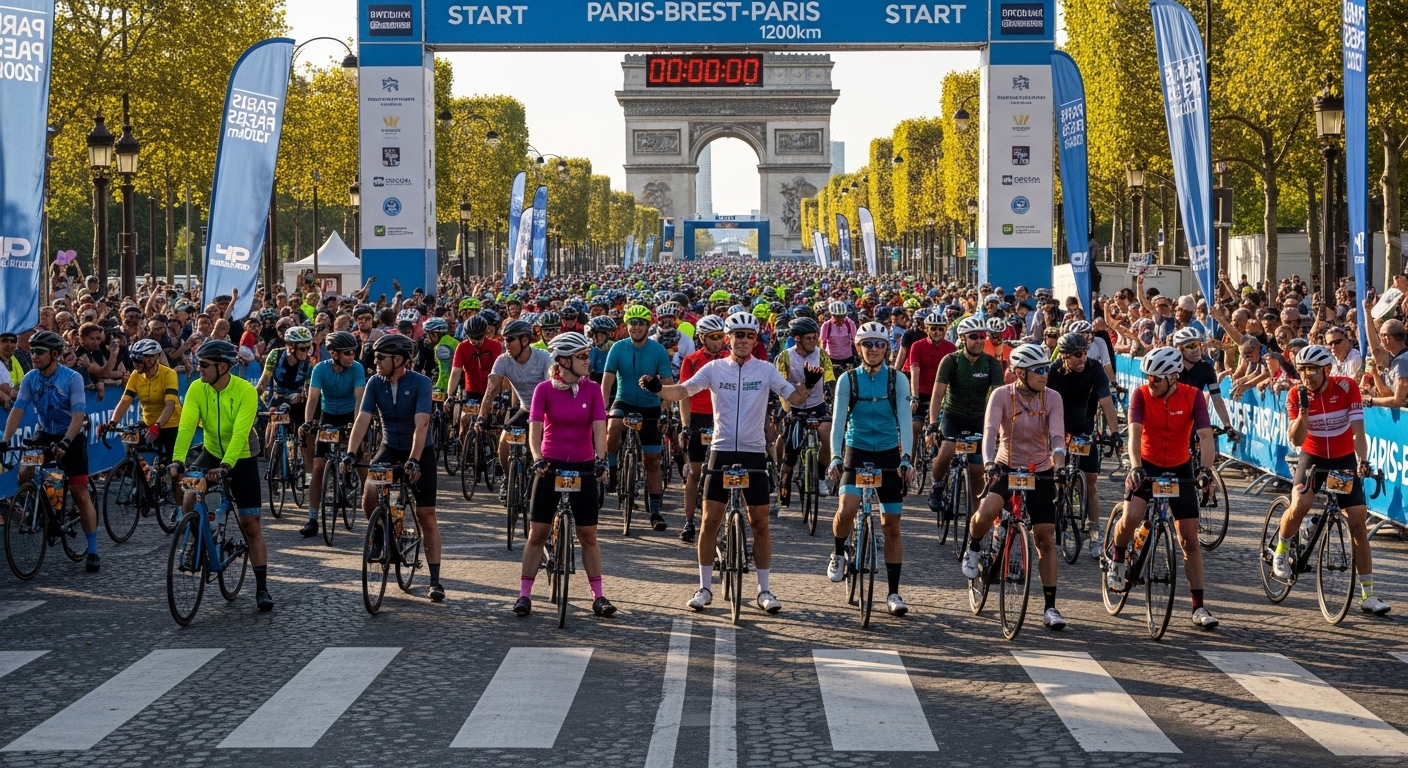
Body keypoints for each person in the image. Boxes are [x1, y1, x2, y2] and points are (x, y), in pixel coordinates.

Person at [645, 311, 821, 615]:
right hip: (722, 449)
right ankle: (704, 587)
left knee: (760, 523)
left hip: (753, 452)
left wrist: (808, 384)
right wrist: (658, 389)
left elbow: (794, 398)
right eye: (737, 335)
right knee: (710, 521)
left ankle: (764, 590)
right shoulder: (714, 369)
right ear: (728, 338)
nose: (743, 340)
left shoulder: (765, 370)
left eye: (749, 335)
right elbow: (683, 391)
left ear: (755, 340)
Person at [1106, 346, 1221, 630]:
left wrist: (1205, 471)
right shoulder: (1141, 395)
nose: (1150, 382)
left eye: (1156, 378)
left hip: (1180, 467)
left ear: (1172, 376)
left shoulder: (1193, 396)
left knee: (1189, 540)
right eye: (1148, 376)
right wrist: (1135, 466)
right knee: (1132, 516)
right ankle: (1118, 558)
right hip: (1147, 464)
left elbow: (1206, 436)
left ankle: (1199, 607)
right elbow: (1134, 434)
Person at [1273, 345, 1389, 615]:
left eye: (1312, 370)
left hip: (1343, 458)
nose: (1306, 376)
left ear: (1326, 370)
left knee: (1358, 522)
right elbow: (1296, 440)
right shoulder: (1295, 394)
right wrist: (1303, 411)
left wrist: (1362, 461)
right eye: (1302, 370)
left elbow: (1359, 431)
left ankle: (1368, 595)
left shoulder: (1347, 387)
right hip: (1312, 457)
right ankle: (1281, 548)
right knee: (1300, 503)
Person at [963, 343, 1069, 630]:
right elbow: (988, 434)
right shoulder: (1001, 395)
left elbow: (1057, 437)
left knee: (1046, 537)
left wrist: (1059, 466)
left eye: (1046, 368)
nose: (1045, 375)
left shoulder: (1053, 397)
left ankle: (1050, 607)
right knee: (987, 512)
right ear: (1021, 373)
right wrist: (988, 463)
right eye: (1038, 370)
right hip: (1005, 465)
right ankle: (973, 547)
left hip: (1040, 468)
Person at [514, 332, 616, 618]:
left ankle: (598, 595)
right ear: (563, 361)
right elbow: (534, 428)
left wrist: (601, 461)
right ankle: (524, 594)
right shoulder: (543, 390)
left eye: (587, 356)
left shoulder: (592, 389)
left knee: (588, 535)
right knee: (537, 533)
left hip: (583, 464)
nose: (588, 360)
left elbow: (599, 428)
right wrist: (537, 458)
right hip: (550, 464)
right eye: (582, 357)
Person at [168, 340, 272, 610]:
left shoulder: (245, 391)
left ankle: (262, 589)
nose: (198, 368)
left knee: (251, 524)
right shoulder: (196, 387)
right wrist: (178, 459)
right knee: (190, 493)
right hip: (213, 450)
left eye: (204, 365)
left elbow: (240, 434)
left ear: (222, 367)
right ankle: (193, 538)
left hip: (242, 455)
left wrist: (226, 467)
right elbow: (187, 426)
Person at [344, 333, 445, 602]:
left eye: (380, 358)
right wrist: (351, 453)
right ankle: (381, 532)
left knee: (427, 516)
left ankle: (435, 579)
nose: (374, 362)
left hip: (420, 450)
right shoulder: (374, 383)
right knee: (369, 494)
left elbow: (422, 422)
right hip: (389, 447)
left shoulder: (421, 382)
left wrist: (414, 458)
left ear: (398, 359)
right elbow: (363, 419)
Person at [826, 322, 914, 617]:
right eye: (867, 344)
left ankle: (893, 592)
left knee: (892, 526)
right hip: (857, 449)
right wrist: (836, 457)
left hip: (889, 453)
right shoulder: (847, 380)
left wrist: (908, 457)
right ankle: (839, 552)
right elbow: (838, 422)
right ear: (858, 347)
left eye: (879, 344)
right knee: (847, 509)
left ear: (887, 348)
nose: (873, 349)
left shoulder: (897, 379)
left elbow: (904, 419)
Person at [2, 331, 102, 572]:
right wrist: (4, 440)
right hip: (45, 432)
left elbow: (78, 415)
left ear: (54, 355)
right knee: (25, 472)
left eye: (39, 352)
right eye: (32, 351)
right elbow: (18, 409)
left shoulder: (72, 378)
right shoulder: (30, 378)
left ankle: (93, 550)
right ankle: (40, 507)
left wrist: (67, 442)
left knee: (79, 492)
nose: (33, 356)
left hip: (72, 434)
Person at [1044, 333, 1120, 555]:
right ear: (1066, 356)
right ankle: (1053, 516)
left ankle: (1095, 537)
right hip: (1059, 430)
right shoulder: (1053, 371)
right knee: (1056, 477)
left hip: (1084, 428)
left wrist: (1115, 433)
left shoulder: (1094, 368)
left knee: (1091, 483)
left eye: (1085, 353)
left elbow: (1106, 402)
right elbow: (1044, 405)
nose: (1083, 358)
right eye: (1078, 355)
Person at [601, 304, 675, 531]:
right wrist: (603, 409)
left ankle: (654, 511)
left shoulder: (658, 350)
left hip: (650, 405)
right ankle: (612, 470)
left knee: (652, 461)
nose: (636, 327)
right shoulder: (617, 348)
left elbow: (669, 385)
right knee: (613, 425)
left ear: (647, 325)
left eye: (641, 323)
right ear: (627, 325)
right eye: (632, 322)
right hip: (623, 401)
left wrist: (663, 409)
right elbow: (607, 381)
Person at [926, 316, 1004, 518]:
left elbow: (999, 399)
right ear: (962, 338)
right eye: (974, 336)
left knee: (977, 469)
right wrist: (933, 423)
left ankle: (975, 521)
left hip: (979, 418)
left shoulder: (991, 364)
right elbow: (937, 396)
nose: (979, 340)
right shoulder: (951, 361)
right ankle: (937, 484)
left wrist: (998, 429)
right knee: (947, 449)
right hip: (953, 416)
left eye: (982, 336)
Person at [298, 331, 366, 538]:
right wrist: (308, 423)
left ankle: (369, 497)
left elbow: (360, 399)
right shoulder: (320, 369)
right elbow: (312, 399)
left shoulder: (357, 368)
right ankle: (312, 518)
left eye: (353, 352)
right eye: (347, 353)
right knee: (318, 466)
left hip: (350, 414)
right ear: (334, 354)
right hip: (328, 415)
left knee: (361, 456)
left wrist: (357, 427)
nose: (351, 356)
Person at [479, 319, 552, 494]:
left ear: (525, 341)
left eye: (510, 339)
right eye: (504, 340)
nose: (506, 344)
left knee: (547, 450)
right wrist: (482, 417)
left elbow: (552, 388)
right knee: (503, 443)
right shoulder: (503, 360)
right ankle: (508, 478)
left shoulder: (544, 357)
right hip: (526, 409)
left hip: (546, 412)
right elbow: (491, 391)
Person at [676, 314, 728, 543]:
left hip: (722, 417)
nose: (720, 341)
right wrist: (686, 426)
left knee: (725, 473)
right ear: (702, 338)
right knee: (695, 473)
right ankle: (688, 522)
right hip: (698, 417)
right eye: (714, 337)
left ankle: (725, 522)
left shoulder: (730, 357)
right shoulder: (691, 360)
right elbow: (683, 394)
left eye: (721, 336)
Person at [774, 316, 835, 508]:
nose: (813, 341)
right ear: (797, 338)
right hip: (794, 406)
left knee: (827, 434)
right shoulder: (784, 357)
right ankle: (783, 485)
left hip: (817, 405)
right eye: (809, 338)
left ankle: (821, 475)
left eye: (815, 337)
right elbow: (781, 387)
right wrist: (787, 410)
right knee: (790, 448)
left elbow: (831, 380)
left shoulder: (822, 355)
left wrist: (838, 402)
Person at [258, 325, 316, 483]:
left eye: (309, 347)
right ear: (291, 347)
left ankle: (309, 479)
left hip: (299, 401)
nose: (307, 351)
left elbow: (311, 390)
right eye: (303, 348)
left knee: (307, 443)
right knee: (272, 435)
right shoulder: (275, 355)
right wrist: (252, 400)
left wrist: (301, 395)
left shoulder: (309, 364)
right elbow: (263, 382)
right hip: (279, 398)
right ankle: (274, 462)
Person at [901, 312, 956, 460]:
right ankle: (909, 463)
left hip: (942, 393)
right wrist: (915, 397)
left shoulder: (951, 348)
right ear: (927, 329)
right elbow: (914, 371)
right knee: (915, 426)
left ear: (945, 329)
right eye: (933, 329)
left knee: (944, 430)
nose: (937, 332)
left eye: (940, 329)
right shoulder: (917, 346)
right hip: (922, 391)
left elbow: (954, 375)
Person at [820, 300, 856, 372]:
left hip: (847, 357)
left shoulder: (850, 323)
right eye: (838, 319)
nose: (841, 321)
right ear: (833, 316)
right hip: (832, 358)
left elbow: (855, 340)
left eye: (842, 318)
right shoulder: (827, 325)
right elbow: (823, 343)